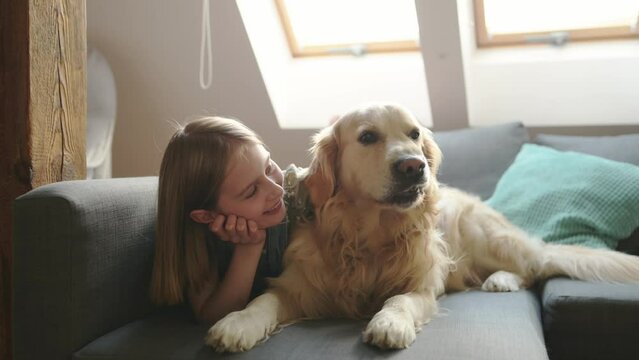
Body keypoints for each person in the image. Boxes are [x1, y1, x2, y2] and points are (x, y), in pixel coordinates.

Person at [150, 116, 293, 325]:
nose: (277, 189)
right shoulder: (199, 243)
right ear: (207, 215)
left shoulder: (306, 194)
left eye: (269, 167)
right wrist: (249, 249)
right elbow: (213, 318)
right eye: (252, 191)